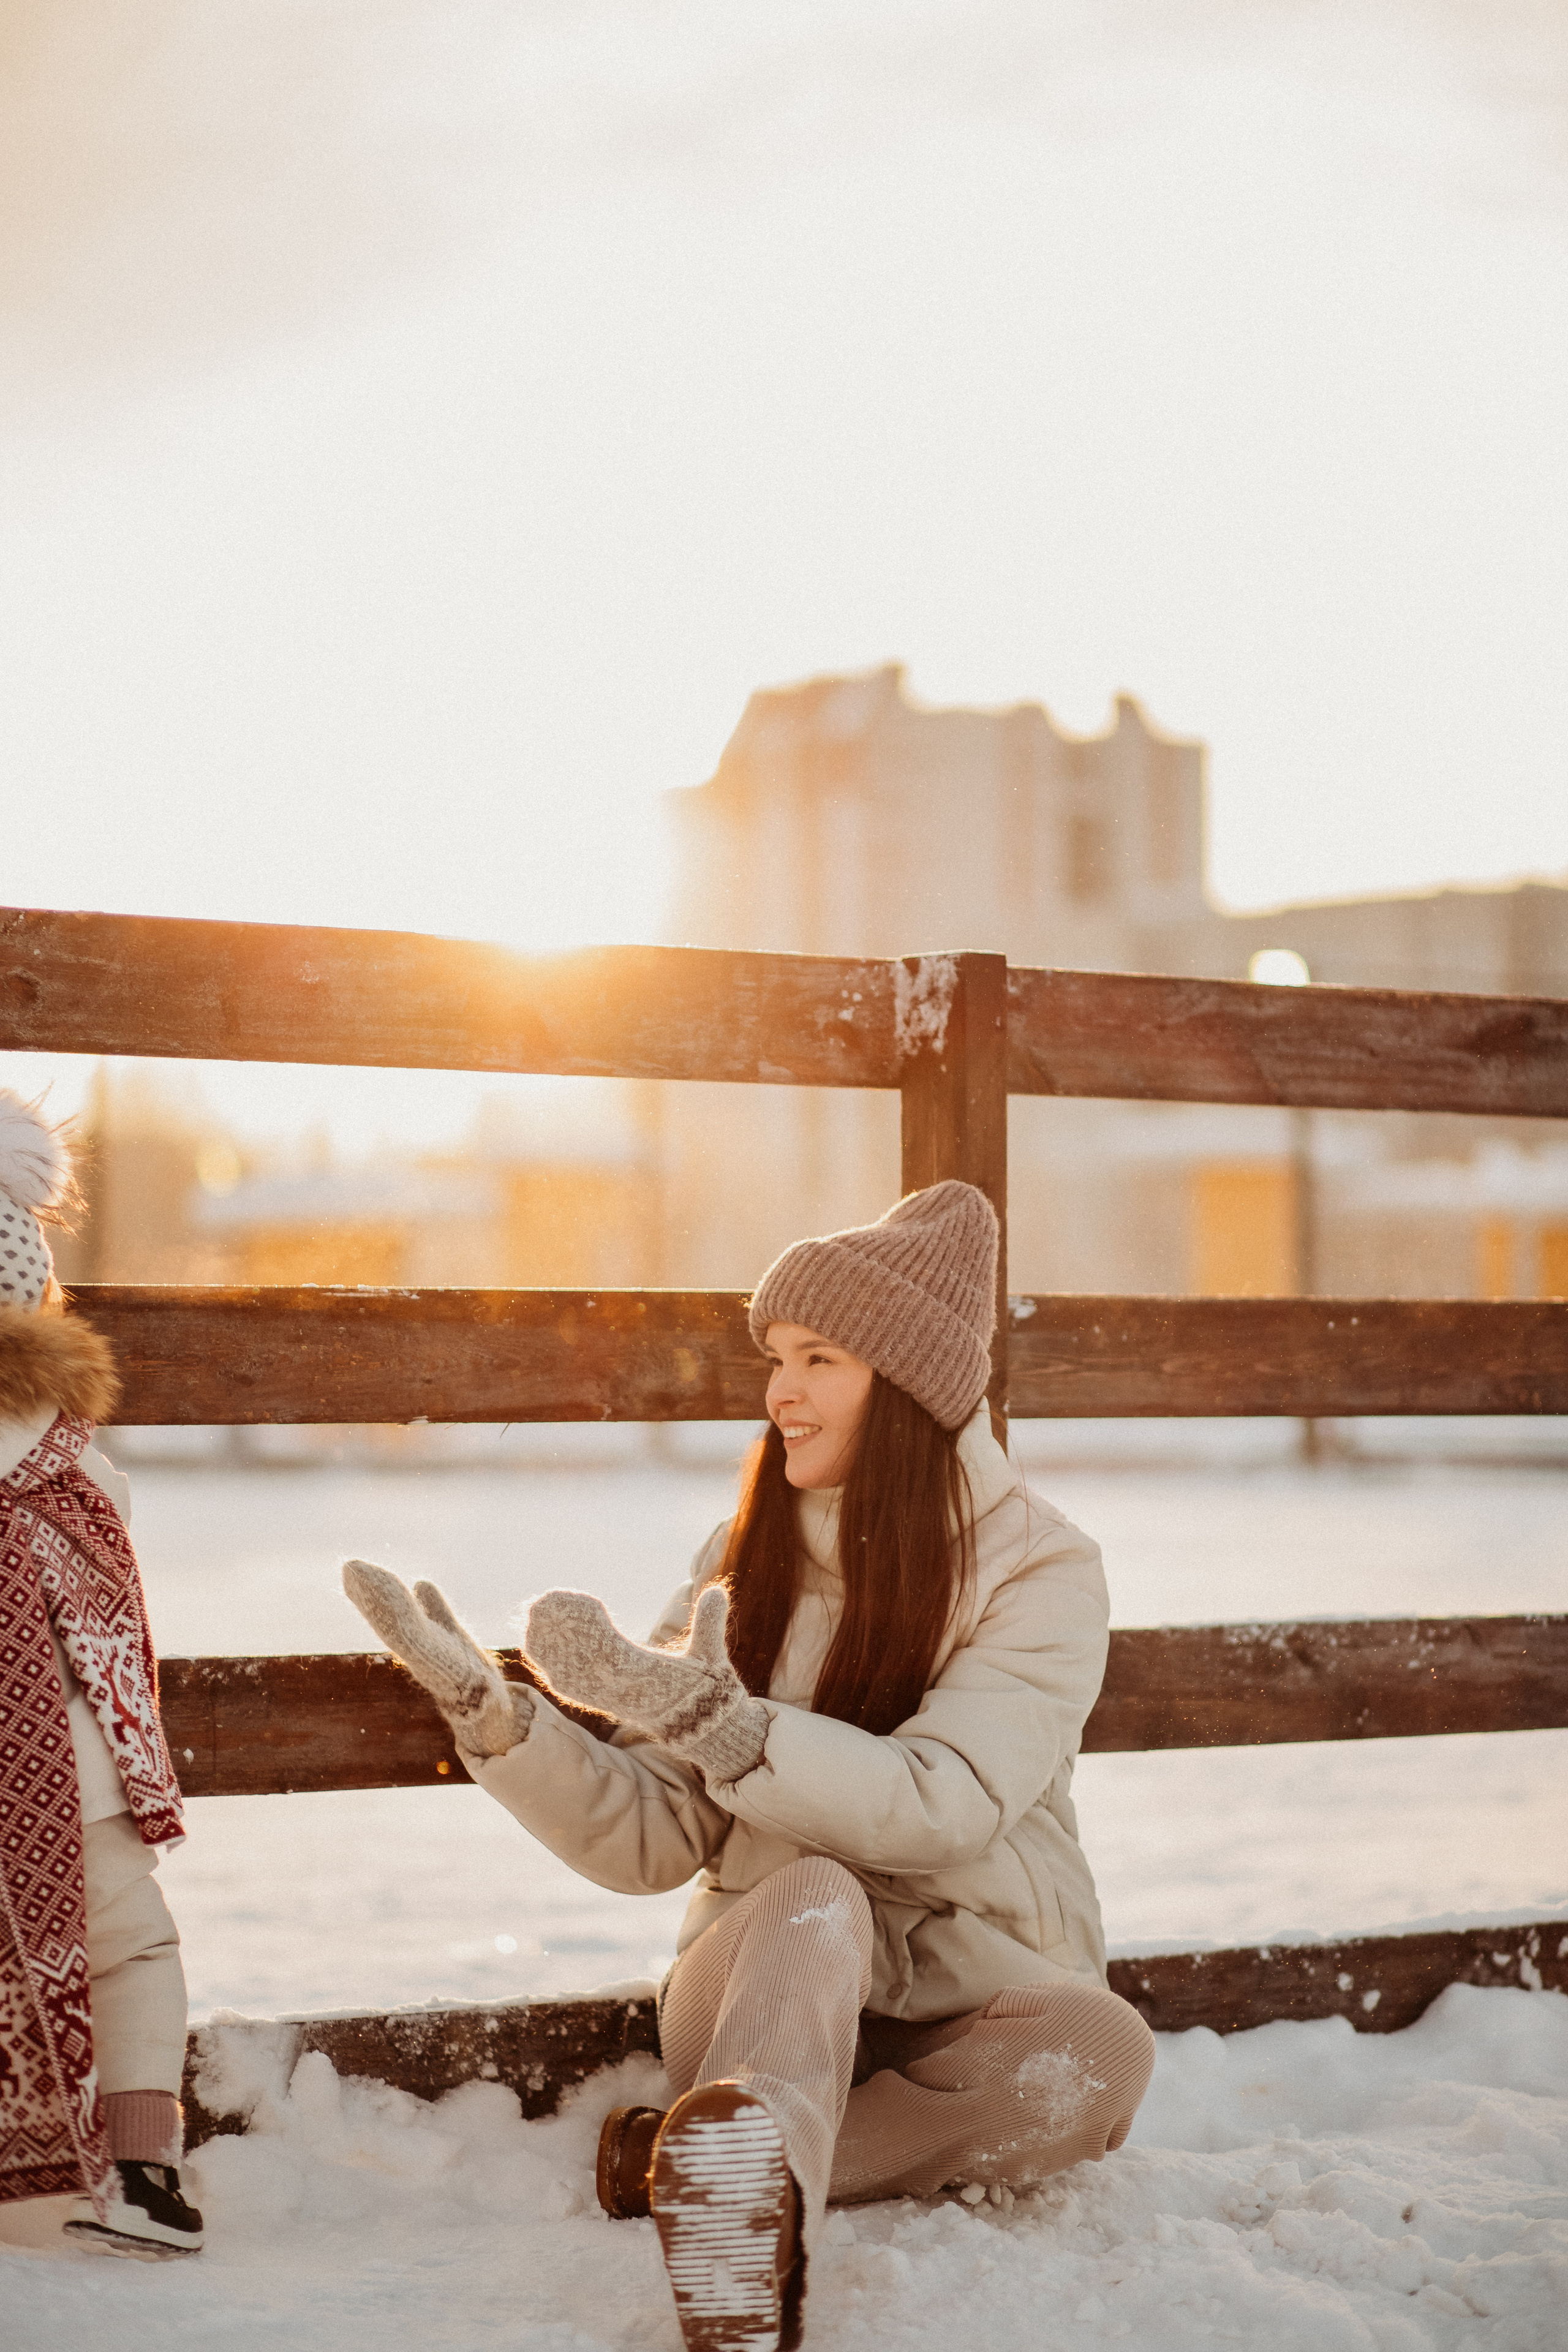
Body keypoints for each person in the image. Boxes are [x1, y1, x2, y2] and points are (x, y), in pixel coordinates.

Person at [345, 1180, 1153, 2351]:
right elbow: (656, 1837)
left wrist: (727, 1726)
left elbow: (949, 1804)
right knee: (815, 1897)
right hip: (762, 1990)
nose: (781, 1390)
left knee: (1103, 2052)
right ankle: (745, 2172)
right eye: (777, 1355)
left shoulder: (1043, 1571)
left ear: (908, 1383)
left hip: (963, 2005)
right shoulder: (743, 1559)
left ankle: (702, 2162)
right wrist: (500, 1721)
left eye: (819, 1357)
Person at [0, 1091, 203, 2258]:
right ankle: (143, 2171)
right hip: (85, 1793)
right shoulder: (77, 1471)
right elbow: (114, 1627)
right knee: (136, 1953)